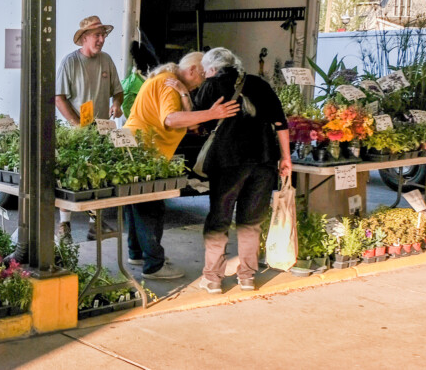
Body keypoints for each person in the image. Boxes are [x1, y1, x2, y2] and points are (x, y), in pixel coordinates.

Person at [123, 52, 240, 280]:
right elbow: (171, 119)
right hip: (146, 150)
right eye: (203, 75)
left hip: (139, 148)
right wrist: (212, 113)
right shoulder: (168, 84)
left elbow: (189, 121)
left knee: (136, 204)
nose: (203, 81)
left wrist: (186, 95)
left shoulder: (170, 81)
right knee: (150, 207)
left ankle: (138, 254)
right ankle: (154, 266)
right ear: (193, 70)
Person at [191, 48, 291, 294]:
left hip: (228, 163)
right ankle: (247, 277)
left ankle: (213, 278)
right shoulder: (259, 84)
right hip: (264, 161)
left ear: (212, 69)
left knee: (219, 218)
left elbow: (195, 122)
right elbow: (281, 123)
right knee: (251, 221)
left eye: (205, 71)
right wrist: (286, 158)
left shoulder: (211, 85)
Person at [55, 15, 124, 244]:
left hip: (101, 130)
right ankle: (64, 224)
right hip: (77, 131)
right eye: (97, 35)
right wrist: (77, 124)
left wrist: (116, 104)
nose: (102, 39)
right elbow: (59, 98)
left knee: (97, 176)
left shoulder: (106, 60)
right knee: (71, 176)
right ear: (84, 37)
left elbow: (118, 91)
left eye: (103, 35)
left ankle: (95, 223)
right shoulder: (70, 62)